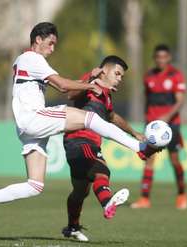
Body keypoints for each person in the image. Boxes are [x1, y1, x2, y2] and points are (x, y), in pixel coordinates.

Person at [0, 22, 159, 231]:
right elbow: (63, 85)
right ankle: (139, 149)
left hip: (26, 126)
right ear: (38, 39)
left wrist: (89, 79)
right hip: (34, 118)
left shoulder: (26, 61)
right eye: (51, 43)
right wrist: (91, 84)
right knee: (88, 118)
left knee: (35, 185)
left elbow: (68, 86)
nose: (53, 48)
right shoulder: (32, 58)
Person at [62, 55, 145, 242]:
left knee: (81, 191)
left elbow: (113, 117)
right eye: (117, 73)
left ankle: (72, 227)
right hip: (79, 139)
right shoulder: (91, 84)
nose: (119, 78)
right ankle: (108, 203)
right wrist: (90, 78)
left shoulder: (107, 97)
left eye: (122, 76)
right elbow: (70, 94)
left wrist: (135, 133)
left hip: (84, 144)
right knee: (101, 170)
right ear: (104, 70)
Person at [131, 44, 187, 210]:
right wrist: (147, 121)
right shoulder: (148, 76)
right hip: (152, 126)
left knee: (175, 160)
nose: (161, 60)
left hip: (171, 126)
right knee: (148, 160)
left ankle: (182, 194)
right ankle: (144, 198)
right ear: (155, 58)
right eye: (158, 57)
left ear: (169, 58)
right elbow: (147, 101)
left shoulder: (176, 75)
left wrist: (167, 117)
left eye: (164, 57)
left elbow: (180, 101)